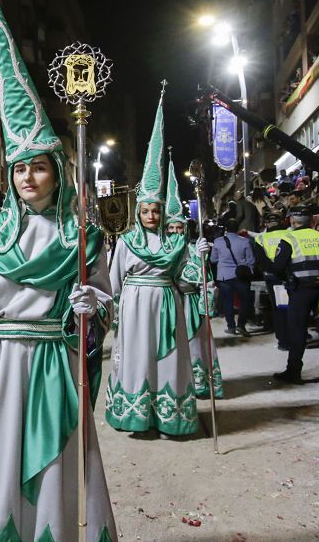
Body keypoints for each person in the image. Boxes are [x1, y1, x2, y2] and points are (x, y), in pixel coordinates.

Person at [0, 0, 116, 541]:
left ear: (56, 171)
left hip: (54, 364)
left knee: (55, 475)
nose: (27, 177)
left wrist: (94, 306)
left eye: (38, 166)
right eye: (19, 168)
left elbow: (100, 309)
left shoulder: (82, 235)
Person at [106, 90, 198, 438]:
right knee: (137, 358)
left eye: (155, 209)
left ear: (162, 211)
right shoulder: (127, 242)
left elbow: (188, 280)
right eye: (144, 209)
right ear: (137, 210)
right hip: (134, 307)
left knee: (168, 360)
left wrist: (197, 257)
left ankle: (170, 416)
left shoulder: (176, 243)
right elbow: (114, 283)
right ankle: (137, 416)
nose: (150, 214)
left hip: (167, 304)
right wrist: (111, 314)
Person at [164, 158, 222, 399]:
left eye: (180, 228)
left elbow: (203, 278)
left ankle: (200, 384)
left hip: (192, 304)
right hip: (170, 304)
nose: (176, 232)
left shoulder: (193, 247)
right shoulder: (161, 251)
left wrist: (201, 258)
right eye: (172, 229)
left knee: (197, 347)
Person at [267, 206, 319, 383]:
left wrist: (287, 277)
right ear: (311, 220)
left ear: (292, 220)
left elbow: (277, 267)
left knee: (297, 330)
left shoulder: (289, 238)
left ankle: (294, 371)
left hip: (300, 291)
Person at [210, 217, 257, 336]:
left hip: (224, 277)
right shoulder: (245, 241)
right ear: (238, 228)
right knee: (245, 301)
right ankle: (241, 325)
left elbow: (213, 259)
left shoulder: (218, 241)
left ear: (226, 228)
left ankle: (231, 326)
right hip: (241, 275)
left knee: (227, 302)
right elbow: (251, 260)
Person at [256, 213, 292, 350]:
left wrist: (273, 270)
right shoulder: (289, 235)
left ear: (266, 224)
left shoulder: (261, 238)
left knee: (279, 308)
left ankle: (283, 341)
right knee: (293, 307)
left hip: (272, 277)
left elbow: (261, 260)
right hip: (288, 274)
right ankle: (298, 336)